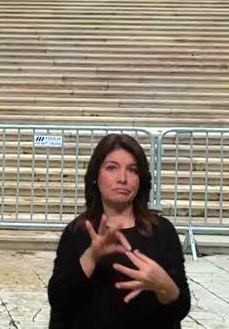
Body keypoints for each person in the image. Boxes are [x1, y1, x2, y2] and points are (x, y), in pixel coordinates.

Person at [48, 134, 190, 328]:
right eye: (111, 168)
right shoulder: (78, 231)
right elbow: (59, 303)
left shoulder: (162, 231)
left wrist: (164, 285)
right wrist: (91, 255)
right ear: (96, 176)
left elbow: (180, 308)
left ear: (141, 179)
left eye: (132, 170)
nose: (122, 178)